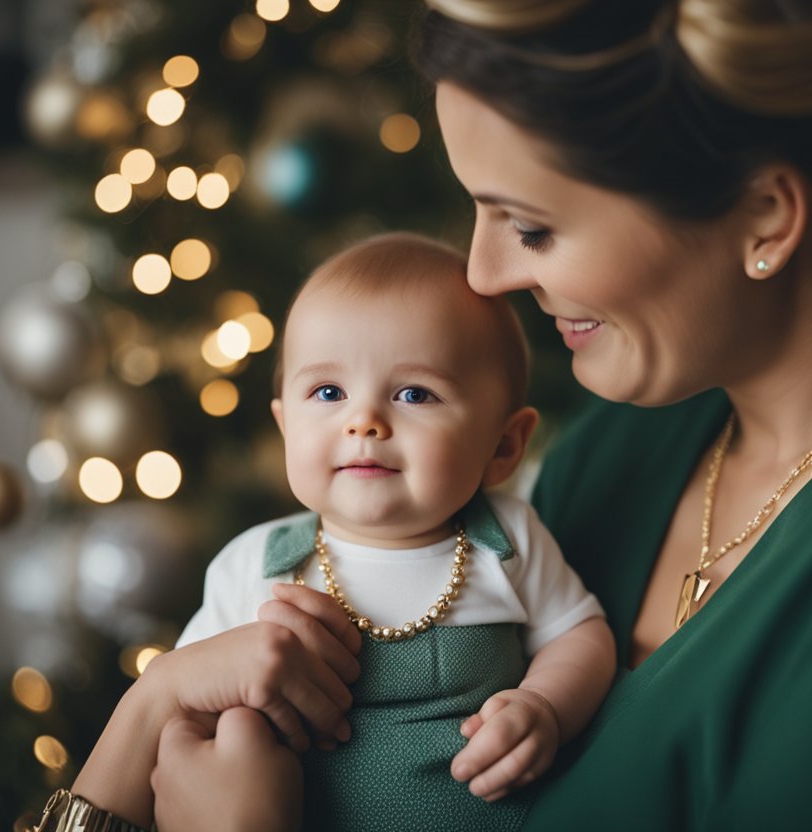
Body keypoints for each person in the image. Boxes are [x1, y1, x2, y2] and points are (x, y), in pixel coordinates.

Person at [43, 0, 812, 829]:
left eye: (532, 225)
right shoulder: (629, 446)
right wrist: (147, 714)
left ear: (763, 213)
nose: (482, 271)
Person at [34, 233, 614, 831]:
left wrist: (544, 706)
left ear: (504, 445)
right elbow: (185, 722)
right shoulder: (258, 565)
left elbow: (581, 636)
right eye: (328, 392)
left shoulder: (509, 540)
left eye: (415, 393)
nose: (363, 421)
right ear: (286, 426)